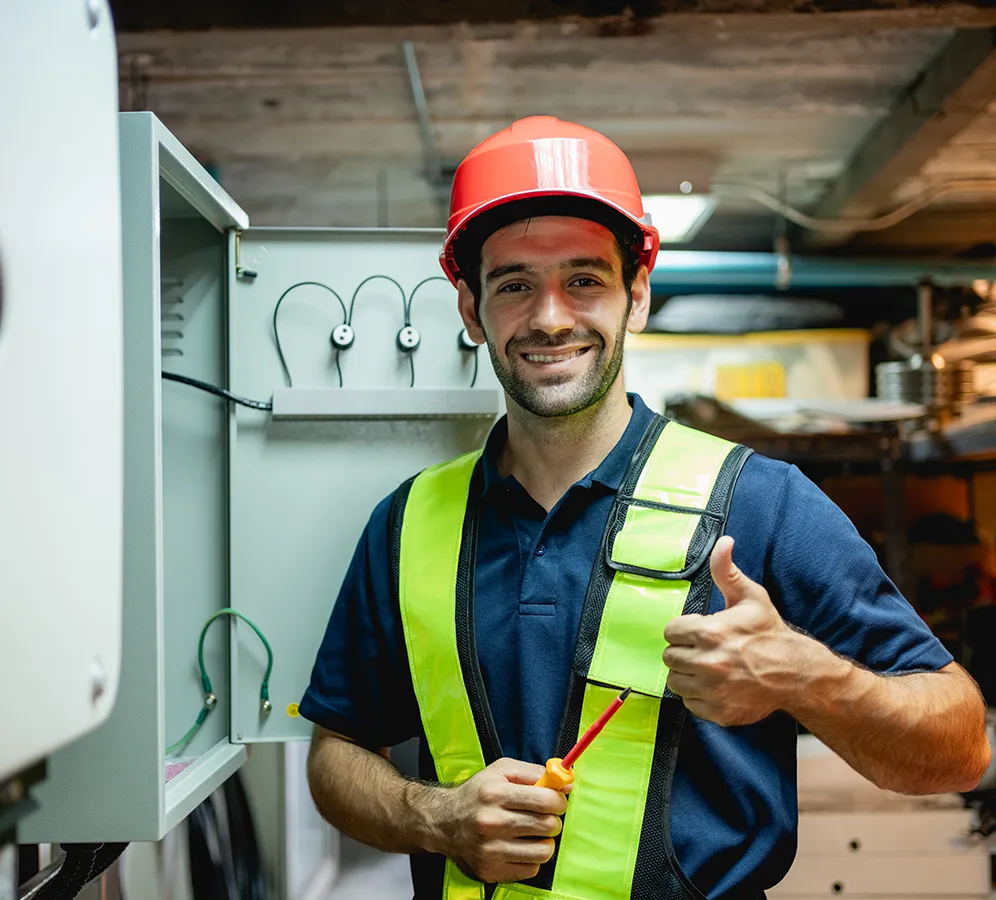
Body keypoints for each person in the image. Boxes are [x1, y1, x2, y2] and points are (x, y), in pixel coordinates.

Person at [299, 116, 990, 900]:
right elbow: (335, 752)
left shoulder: (761, 503)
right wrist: (436, 816)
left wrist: (807, 679)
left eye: (585, 279)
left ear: (638, 297)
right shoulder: (407, 523)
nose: (551, 317)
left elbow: (960, 744)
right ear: (470, 310)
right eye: (515, 283)